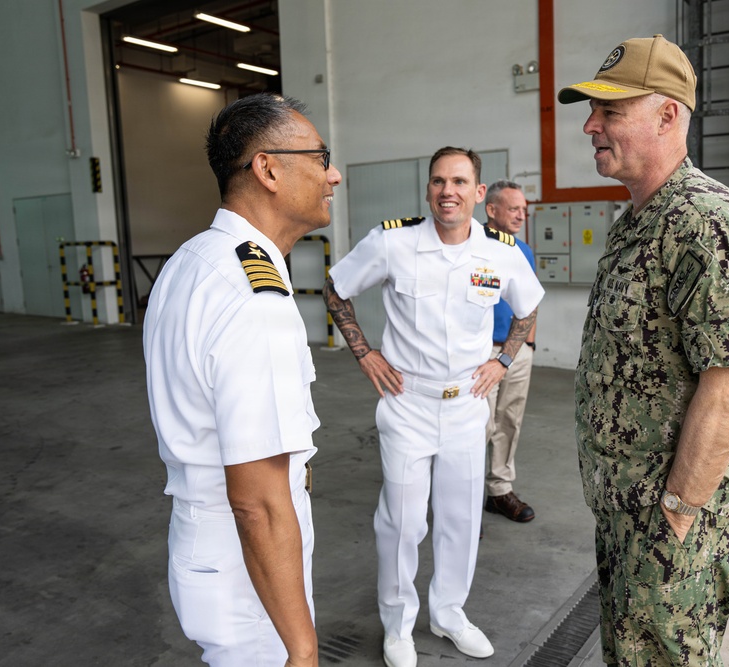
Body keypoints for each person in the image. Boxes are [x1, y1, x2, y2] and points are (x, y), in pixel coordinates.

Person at [558, 35, 729, 666]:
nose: (591, 126)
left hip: (669, 525)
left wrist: (676, 516)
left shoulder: (710, 224)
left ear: (667, 116)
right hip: (626, 512)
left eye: (610, 111)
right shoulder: (639, 221)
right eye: (592, 111)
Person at [323, 147, 544, 667]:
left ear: (479, 193)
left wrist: (503, 361)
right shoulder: (393, 242)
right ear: (428, 189)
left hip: (467, 404)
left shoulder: (500, 251)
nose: (449, 191)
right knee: (401, 522)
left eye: (460, 182)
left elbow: (529, 305)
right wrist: (365, 353)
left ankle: (449, 614)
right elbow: (336, 288)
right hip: (408, 403)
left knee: (459, 520)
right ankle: (397, 625)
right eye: (439, 181)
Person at [143, 93, 342, 667]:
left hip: (208, 540)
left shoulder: (192, 260)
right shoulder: (254, 297)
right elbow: (257, 501)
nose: (332, 175)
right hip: (247, 569)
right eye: (320, 158)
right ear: (268, 170)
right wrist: (302, 649)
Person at [482, 180, 538, 523]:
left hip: (516, 352)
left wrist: (529, 343)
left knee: (509, 421)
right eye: (513, 208)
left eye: (524, 210)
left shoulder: (523, 250)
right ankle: (462, 501)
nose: (520, 215)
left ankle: (499, 491)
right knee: (479, 426)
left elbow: (531, 301)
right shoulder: (470, 245)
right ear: (491, 209)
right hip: (481, 355)